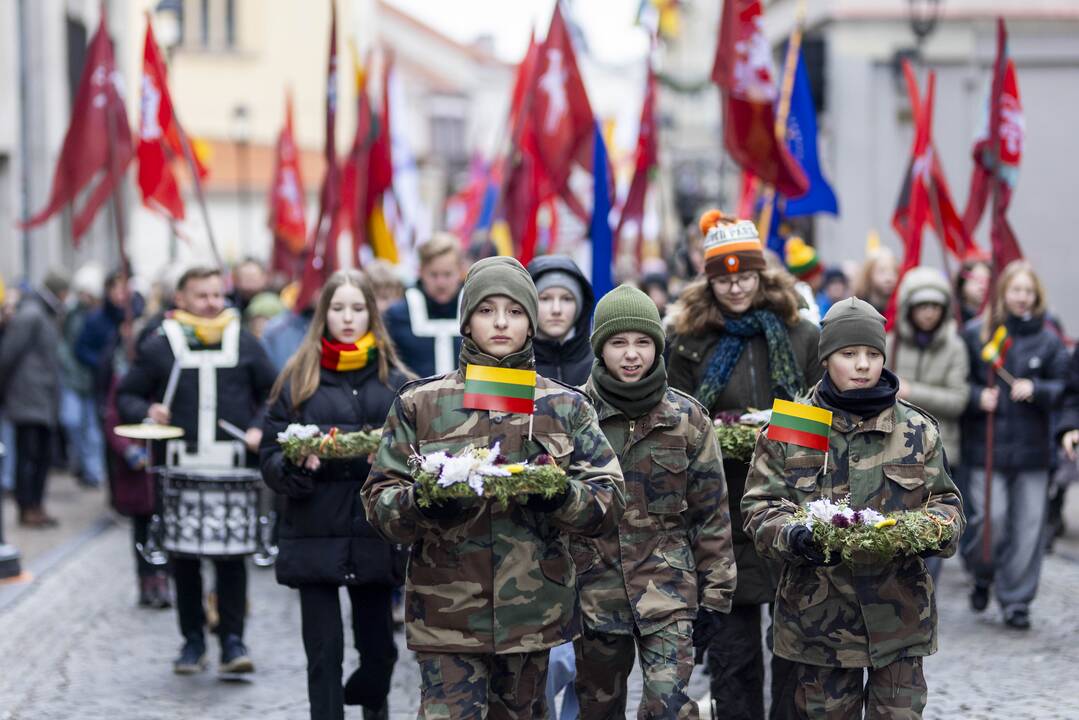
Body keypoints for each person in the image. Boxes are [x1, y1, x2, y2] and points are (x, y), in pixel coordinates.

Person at [363, 256, 626, 719]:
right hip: (447, 617)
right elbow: (379, 503)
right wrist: (424, 502)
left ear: (531, 322)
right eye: (487, 310)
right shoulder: (422, 402)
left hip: (532, 618)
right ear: (467, 320)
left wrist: (561, 496)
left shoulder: (564, 406)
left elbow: (609, 501)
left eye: (515, 311)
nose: (501, 323)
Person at [742, 296, 965, 719]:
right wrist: (792, 533)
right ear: (826, 359)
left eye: (872, 354)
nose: (862, 364)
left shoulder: (914, 428)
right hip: (821, 618)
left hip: (898, 616)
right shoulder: (797, 423)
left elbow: (948, 504)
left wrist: (926, 530)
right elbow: (760, 505)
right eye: (848, 354)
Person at [668, 211, 821, 720]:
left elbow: (821, 412)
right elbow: (679, 419)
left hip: (789, 512)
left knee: (793, 652)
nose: (735, 288)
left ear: (763, 276)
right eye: (724, 279)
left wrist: (779, 432)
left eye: (745, 277)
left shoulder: (800, 335)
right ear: (709, 281)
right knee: (733, 658)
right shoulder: (691, 340)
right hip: (722, 516)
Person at [575, 285, 736, 719]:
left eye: (643, 342)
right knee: (597, 709)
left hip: (668, 591)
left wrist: (716, 597)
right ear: (600, 348)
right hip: (592, 594)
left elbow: (711, 513)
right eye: (618, 342)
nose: (632, 355)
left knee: (666, 706)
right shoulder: (572, 415)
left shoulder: (687, 418)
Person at [260, 270, 411, 720]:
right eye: (338, 309)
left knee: (379, 652)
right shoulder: (297, 379)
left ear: (372, 314)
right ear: (323, 315)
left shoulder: (396, 380)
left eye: (357, 308)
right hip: (313, 531)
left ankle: (369, 706)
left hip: (374, 533)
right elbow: (269, 456)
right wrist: (293, 468)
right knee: (323, 656)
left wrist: (390, 463)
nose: (348, 318)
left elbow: (417, 455)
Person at [117, 266, 277, 675]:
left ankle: (233, 642)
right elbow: (128, 396)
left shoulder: (244, 342)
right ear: (181, 300)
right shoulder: (159, 346)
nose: (211, 303)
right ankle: (191, 643)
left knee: (231, 560)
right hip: (180, 469)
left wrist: (260, 427)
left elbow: (274, 395)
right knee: (184, 560)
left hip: (233, 471)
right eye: (201, 296)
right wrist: (148, 412)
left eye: (216, 295)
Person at [960, 260, 1068, 629]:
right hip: (985, 449)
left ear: (1036, 296)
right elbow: (959, 382)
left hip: (1033, 451)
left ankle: (1017, 600)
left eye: (1028, 291)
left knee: (1028, 528)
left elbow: (1066, 390)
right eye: (1015, 290)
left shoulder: (1050, 339)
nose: (1022, 297)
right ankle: (982, 571)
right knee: (991, 520)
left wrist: (1037, 390)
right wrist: (978, 397)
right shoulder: (979, 333)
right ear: (1003, 292)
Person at [889, 267, 970, 580]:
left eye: (934, 306)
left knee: (934, 526)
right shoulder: (892, 343)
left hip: (942, 450)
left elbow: (958, 399)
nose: (928, 313)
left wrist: (912, 391)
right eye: (922, 306)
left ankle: (925, 584)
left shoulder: (954, 346)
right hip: (896, 449)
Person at [0, 272, 69, 527]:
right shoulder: (31, 314)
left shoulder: (44, 313)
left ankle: (36, 505)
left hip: (43, 398)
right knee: (27, 456)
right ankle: (26, 506)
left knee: (41, 457)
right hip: (28, 397)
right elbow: (7, 354)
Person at [383, 233, 464, 377]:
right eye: (433, 275)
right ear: (420, 271)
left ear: (460, 271)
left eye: (447, 274)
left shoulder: (478, 311)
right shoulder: (396, 315)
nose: (441, 283)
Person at [60, 264, 106, 488]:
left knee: (93, 429)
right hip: (73, 378)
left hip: (93, 379)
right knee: (72, 421)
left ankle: (93, 470)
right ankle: (80, 462)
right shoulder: (71, 313)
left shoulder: (99, 316)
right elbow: (66, 344)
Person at [526, 255, 595, 385]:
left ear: (581, 305)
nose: (556, 309)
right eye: (545, 299)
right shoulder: (513, 365)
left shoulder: (600, 365)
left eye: (567, 299)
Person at [784, 236, 823, 324]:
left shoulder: (818, 294)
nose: (821, 276)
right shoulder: (801, 296)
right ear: (810, 277)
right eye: (818, 273)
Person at [853, 248, 899, 316]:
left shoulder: (899, 309)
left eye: (894, 271)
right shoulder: (857, 309)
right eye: (882, 271)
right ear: (868, 274)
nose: (889, 278)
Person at [955, 259, 991, 326]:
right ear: (962, 285)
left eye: (987, 281)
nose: (982, 287)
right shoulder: (954, 319)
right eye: (976, 281)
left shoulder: (998, 317)